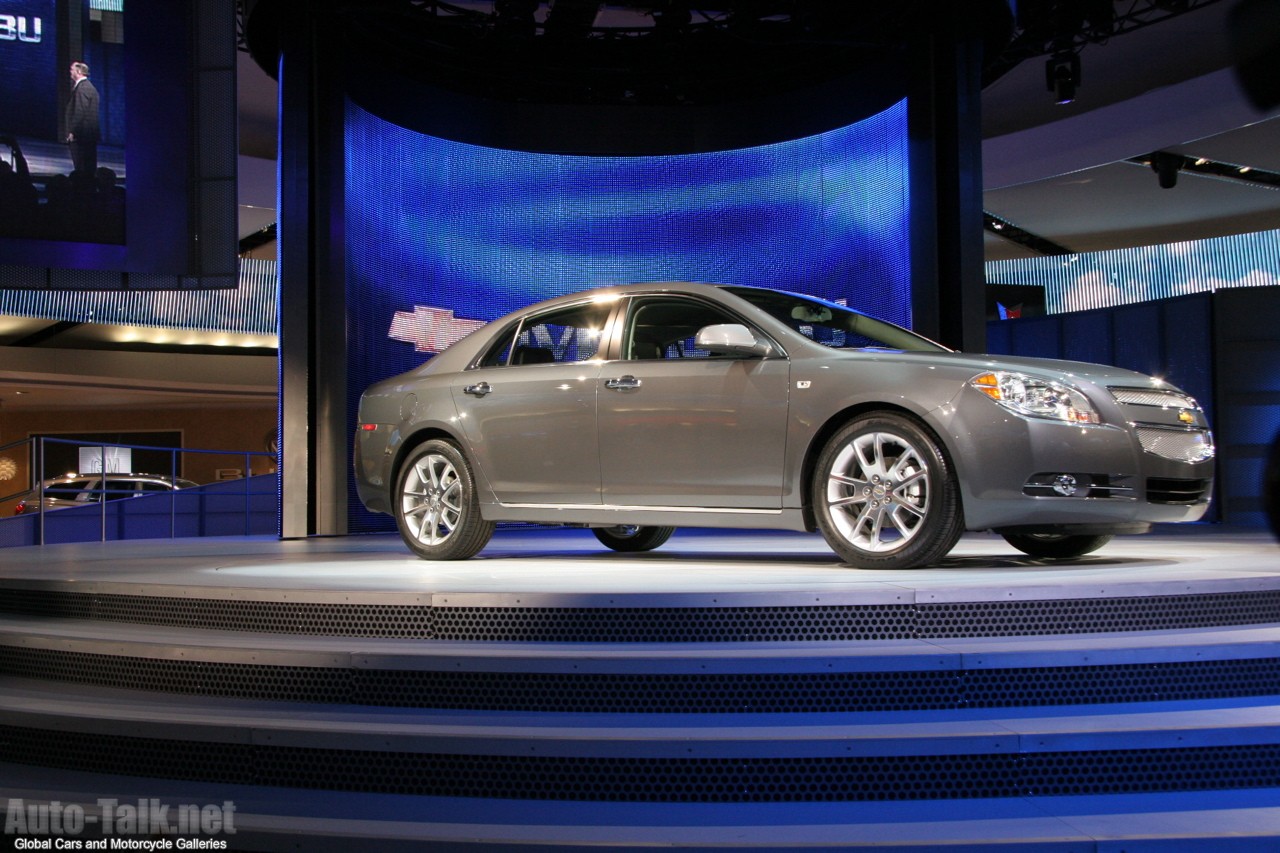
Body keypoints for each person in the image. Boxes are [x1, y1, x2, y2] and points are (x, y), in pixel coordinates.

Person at [65, 61, 100, 177]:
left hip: (82, 135)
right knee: (87, 166)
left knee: (82, 166)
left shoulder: (83, 88)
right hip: (86, 135)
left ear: (79, 72)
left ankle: (82, 189)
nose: (70, 72)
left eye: (72, 69)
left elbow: (79, 112)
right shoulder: (87, 87)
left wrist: (72, 131)